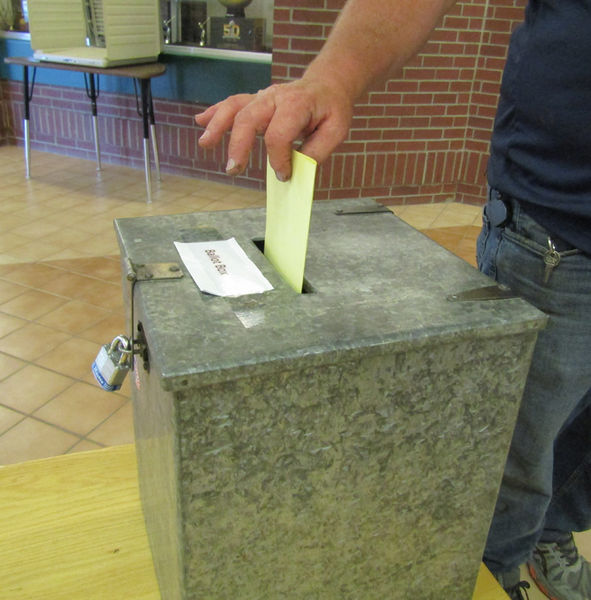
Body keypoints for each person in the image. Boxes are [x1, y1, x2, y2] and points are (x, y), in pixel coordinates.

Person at [195, 1, 591, 598]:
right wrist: (331, 77)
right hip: (563, 225)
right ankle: (493, 571)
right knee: (512, 454)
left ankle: (550, 532)